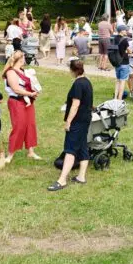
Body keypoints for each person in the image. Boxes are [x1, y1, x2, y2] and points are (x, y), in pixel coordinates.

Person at [49, 59, 93, 191]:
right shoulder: (87, 82)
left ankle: (62, 180)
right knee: (83, 146)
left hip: (77, 121)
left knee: (70, 149)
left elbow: (75, 104)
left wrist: (68, 121)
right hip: (86, 119)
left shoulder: (78, 84)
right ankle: (81, 177)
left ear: (72, 70)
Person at [3, 51, 41, 164]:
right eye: (24, 57)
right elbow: (16, 89)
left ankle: (31, 151)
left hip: (27, 102)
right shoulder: (10, 72)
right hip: (16, 102)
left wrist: (35, 90)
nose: (25, 59)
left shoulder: (23, 71)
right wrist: (30, 94)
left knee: (30, 125)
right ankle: (10, 154)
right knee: (19, 127)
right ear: (20, 59)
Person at [112, 25, 131, 100]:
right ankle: (120, 99)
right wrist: (130, 52)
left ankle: (115, 98)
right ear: (121, 31)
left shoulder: (114, 38)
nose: (126, 31)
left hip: (117, 62)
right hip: (124, 62)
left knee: (117, 81)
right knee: (122, 81)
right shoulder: (124, 40)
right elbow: (129, 50)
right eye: (125, 30)